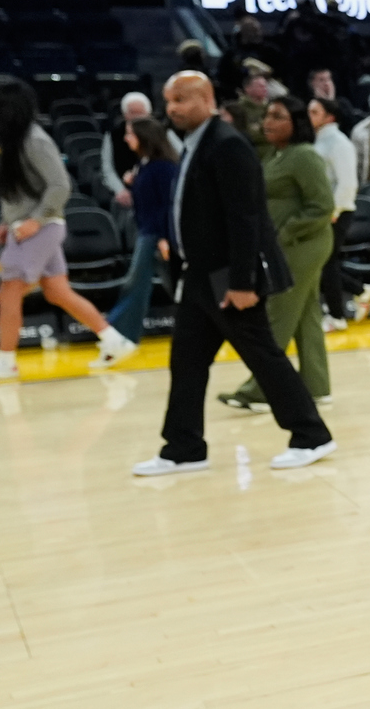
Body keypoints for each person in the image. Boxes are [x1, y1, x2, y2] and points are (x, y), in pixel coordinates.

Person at [131, 74, 333, 474]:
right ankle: (184, 447)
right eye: (168, 100)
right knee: (186, 362)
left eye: (181, 100)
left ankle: (312, 435)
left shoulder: (227, 144)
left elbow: (245, 220)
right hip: (199, 276)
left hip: (227, 277)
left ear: (206, 98)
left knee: (263, 356)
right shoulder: (196, 144)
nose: (172, 108)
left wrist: (243, 283)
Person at [0, 81, 139, 380]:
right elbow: (24, 192)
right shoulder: (16, 141)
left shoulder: (35, 140)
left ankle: (5, 362)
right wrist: (9, 220)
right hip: (31, 227)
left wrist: (35, 220)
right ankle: (114, 340)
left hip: (38, 230)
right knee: (58, 292)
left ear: (8, 107)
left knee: (8, 293)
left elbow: (61, 185)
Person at [219, 96, 337, 410]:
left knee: (278, 316)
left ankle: (259, 389)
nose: (268, 122)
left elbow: (323, 206)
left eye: (277, 116)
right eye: (267, 116)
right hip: (292, 245)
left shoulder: (304, 156)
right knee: (306, 315)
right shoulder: (276, 154)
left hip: (303, 245)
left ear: (295, 123)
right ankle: (316, 385)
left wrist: (285, 232)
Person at [102, 116, 180, 347]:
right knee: (175, 287)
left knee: (135, 284)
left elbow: (168, 205)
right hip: (148, 231)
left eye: (130, 134)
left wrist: (166, 237)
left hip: (156, 234)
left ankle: (120, 335)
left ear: (144, 137)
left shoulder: (163, 167)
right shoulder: (145, 164)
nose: (126, 139)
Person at [308, 96, 359, 329]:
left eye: (315, 112)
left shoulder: (339, 143)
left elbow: (347, 182)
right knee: (324, 263)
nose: (309, 116)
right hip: (325, 211)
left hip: (338, 211)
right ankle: (360, 292)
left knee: (326, 262)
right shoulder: (320, 141)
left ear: (330, 116)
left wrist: (334, 211)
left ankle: (337, 316)